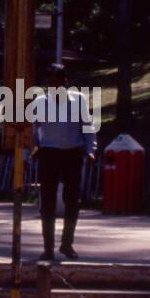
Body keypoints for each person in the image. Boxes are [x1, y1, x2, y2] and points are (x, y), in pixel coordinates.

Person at [31, 64, 97, 261]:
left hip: (72, 153)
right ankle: (48, 247)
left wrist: (91, 149)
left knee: (72, 201)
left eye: (57, 81)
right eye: (50, 82)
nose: (54, 86)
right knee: (48, 202)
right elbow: (33, 129)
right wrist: (32, 151)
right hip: (49, 153)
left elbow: (88, 125)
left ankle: (67, 244)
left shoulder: (78, 100)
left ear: (65, 82)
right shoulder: (40, 102)